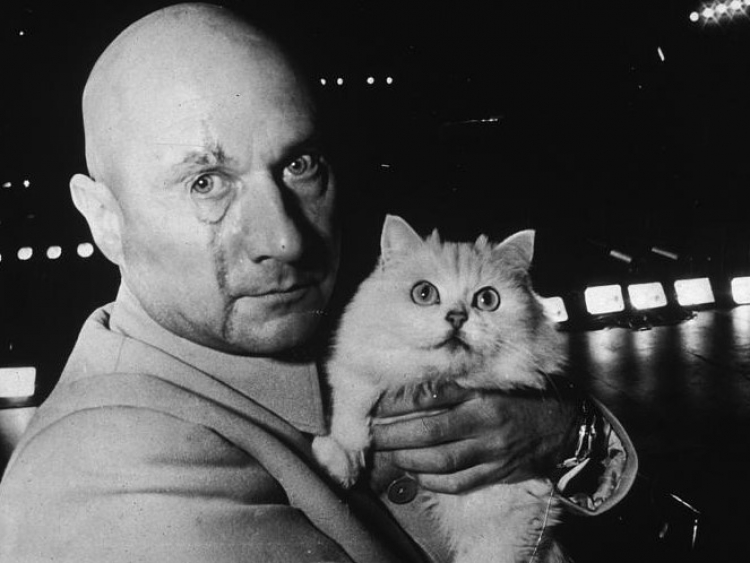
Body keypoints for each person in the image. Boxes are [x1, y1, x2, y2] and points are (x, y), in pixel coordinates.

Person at [0, 3, 636, 562]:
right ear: (105, 220)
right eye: (206, 183)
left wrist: (565, 430)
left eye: (298, 164)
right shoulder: (104, 475)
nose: (286, 239)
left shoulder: (322, 329)